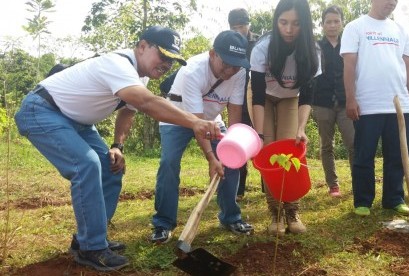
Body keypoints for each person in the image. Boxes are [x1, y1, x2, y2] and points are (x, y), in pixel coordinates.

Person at [14, 26, 220, 272]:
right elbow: (147, 103)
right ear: (142, 46)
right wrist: (194, 121)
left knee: (110, 166)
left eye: (172, 61)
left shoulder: (138, 77)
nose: (167, 64)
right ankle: (92, 249)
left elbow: (127, 112)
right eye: (162, 55)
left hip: (77, 122)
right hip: (43, 110)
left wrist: (117, 145)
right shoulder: (117, 64)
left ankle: (89, 238)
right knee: (86, 164)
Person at [151, 30, 254, 244]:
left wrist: (232, 145)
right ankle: (163, 223)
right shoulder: (193, 71)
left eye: (236, 65)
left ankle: (230, 217)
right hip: (178, 116)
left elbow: (235, 111)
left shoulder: (239, 72)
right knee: (169, 163)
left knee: (232, 162)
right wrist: (211, 158)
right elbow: (196, 122)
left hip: (212, 118)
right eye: (226, 63)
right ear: (212, 54)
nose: (230, 71)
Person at [340, 0, 409, 217]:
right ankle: (363, 201)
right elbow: (348, 65)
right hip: (367, 104)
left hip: (399, 104)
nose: (392, 2)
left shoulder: (400, 30)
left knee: (397, 154)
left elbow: (408, 66)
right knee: (364, 155)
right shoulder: (355, 27)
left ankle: (394, 198)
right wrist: (351, 99)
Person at [250, 0, 319, 235]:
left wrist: (301, 127)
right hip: (264, 98)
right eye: (283, 22)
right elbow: (257, 95)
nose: (289, 30)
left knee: (290, 148)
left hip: (292, 98)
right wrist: (258, 135)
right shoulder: (263, 48)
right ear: (276, 21)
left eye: (296, 24)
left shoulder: (313, 51)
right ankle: (275, 213)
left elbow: (308, 94)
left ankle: (292, 211)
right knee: (268, 149)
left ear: (305, 25)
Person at [311, 5, 354, 198]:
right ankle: (333, 185)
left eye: (336, 21)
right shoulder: (316, 47)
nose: (333, 25)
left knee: (353, 143)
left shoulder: (350, 44)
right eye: (328, 21)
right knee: (326, 145)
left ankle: (358, 180)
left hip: (346, 102)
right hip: (322, 101)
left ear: (342, 23)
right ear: (322, 24)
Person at [228, 8, 260, 201]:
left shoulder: (259, 43)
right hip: (236, 100)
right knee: (238, 140)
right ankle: (239, 189)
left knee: (263, 139)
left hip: (258, 99)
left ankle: (268, 188)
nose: (239, 30)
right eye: (235, 27)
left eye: (242, 26)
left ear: (249, 25)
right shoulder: (228, 43)